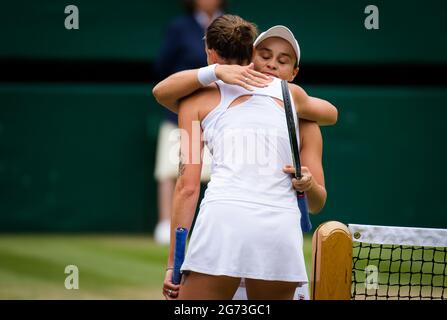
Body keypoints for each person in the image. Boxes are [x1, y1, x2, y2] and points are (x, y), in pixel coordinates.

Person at [153, 15, 337, 299]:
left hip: (223, 224)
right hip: (279, 232)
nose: (273, 64)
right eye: (266, 55)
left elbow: (187, 187)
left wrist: (172, 265)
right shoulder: (297, 102)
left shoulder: (194, 100)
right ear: (251, 55)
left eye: (283, 60)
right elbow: (331, 113)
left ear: (209, 53)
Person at [152, 0, 226, 244]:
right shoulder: (179, 27)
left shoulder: (229, 23)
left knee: (217, 171)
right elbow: (162, 65)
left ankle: (214, 226)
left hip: (220, 112)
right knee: (170, 170)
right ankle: (166, 225)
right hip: (179, 110)